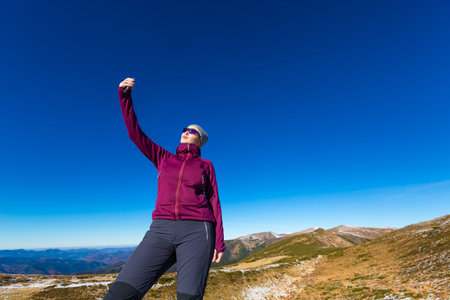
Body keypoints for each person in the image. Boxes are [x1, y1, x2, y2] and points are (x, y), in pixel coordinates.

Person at [104, 78, 225, 300]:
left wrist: (219, 240)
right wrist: (124, 96)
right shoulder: (163, 158)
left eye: (192, 131)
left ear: (199, 140)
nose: (186, 131)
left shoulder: (206, 165)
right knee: (118, 295)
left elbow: (214, 200)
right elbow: (135, 134)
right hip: (160, 229)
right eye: (184, 129)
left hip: (198, 231)